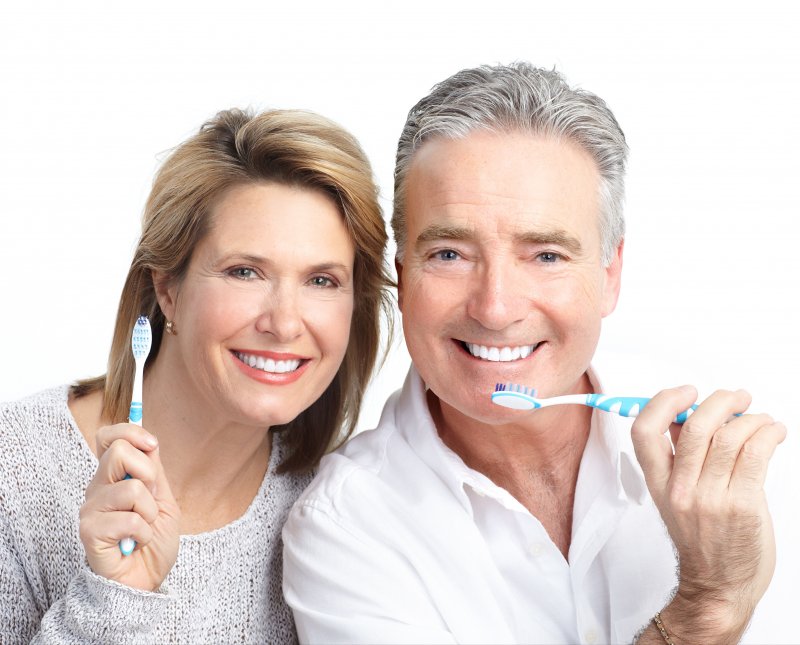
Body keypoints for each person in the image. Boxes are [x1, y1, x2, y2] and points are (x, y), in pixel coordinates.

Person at [282, 63, 786, 644]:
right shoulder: (346, 529)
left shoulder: (739, 463)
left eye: (546, 255)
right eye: (449, 254)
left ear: (610, 274)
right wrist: (710, 604)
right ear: (402, 276)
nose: (495, 309)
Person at [0, 107, 392, 643]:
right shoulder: (15, 474)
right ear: (168, 290)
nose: (283, 322)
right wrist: (116, 601)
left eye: (322, 280)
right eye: (245, 272)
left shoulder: (334, 516)